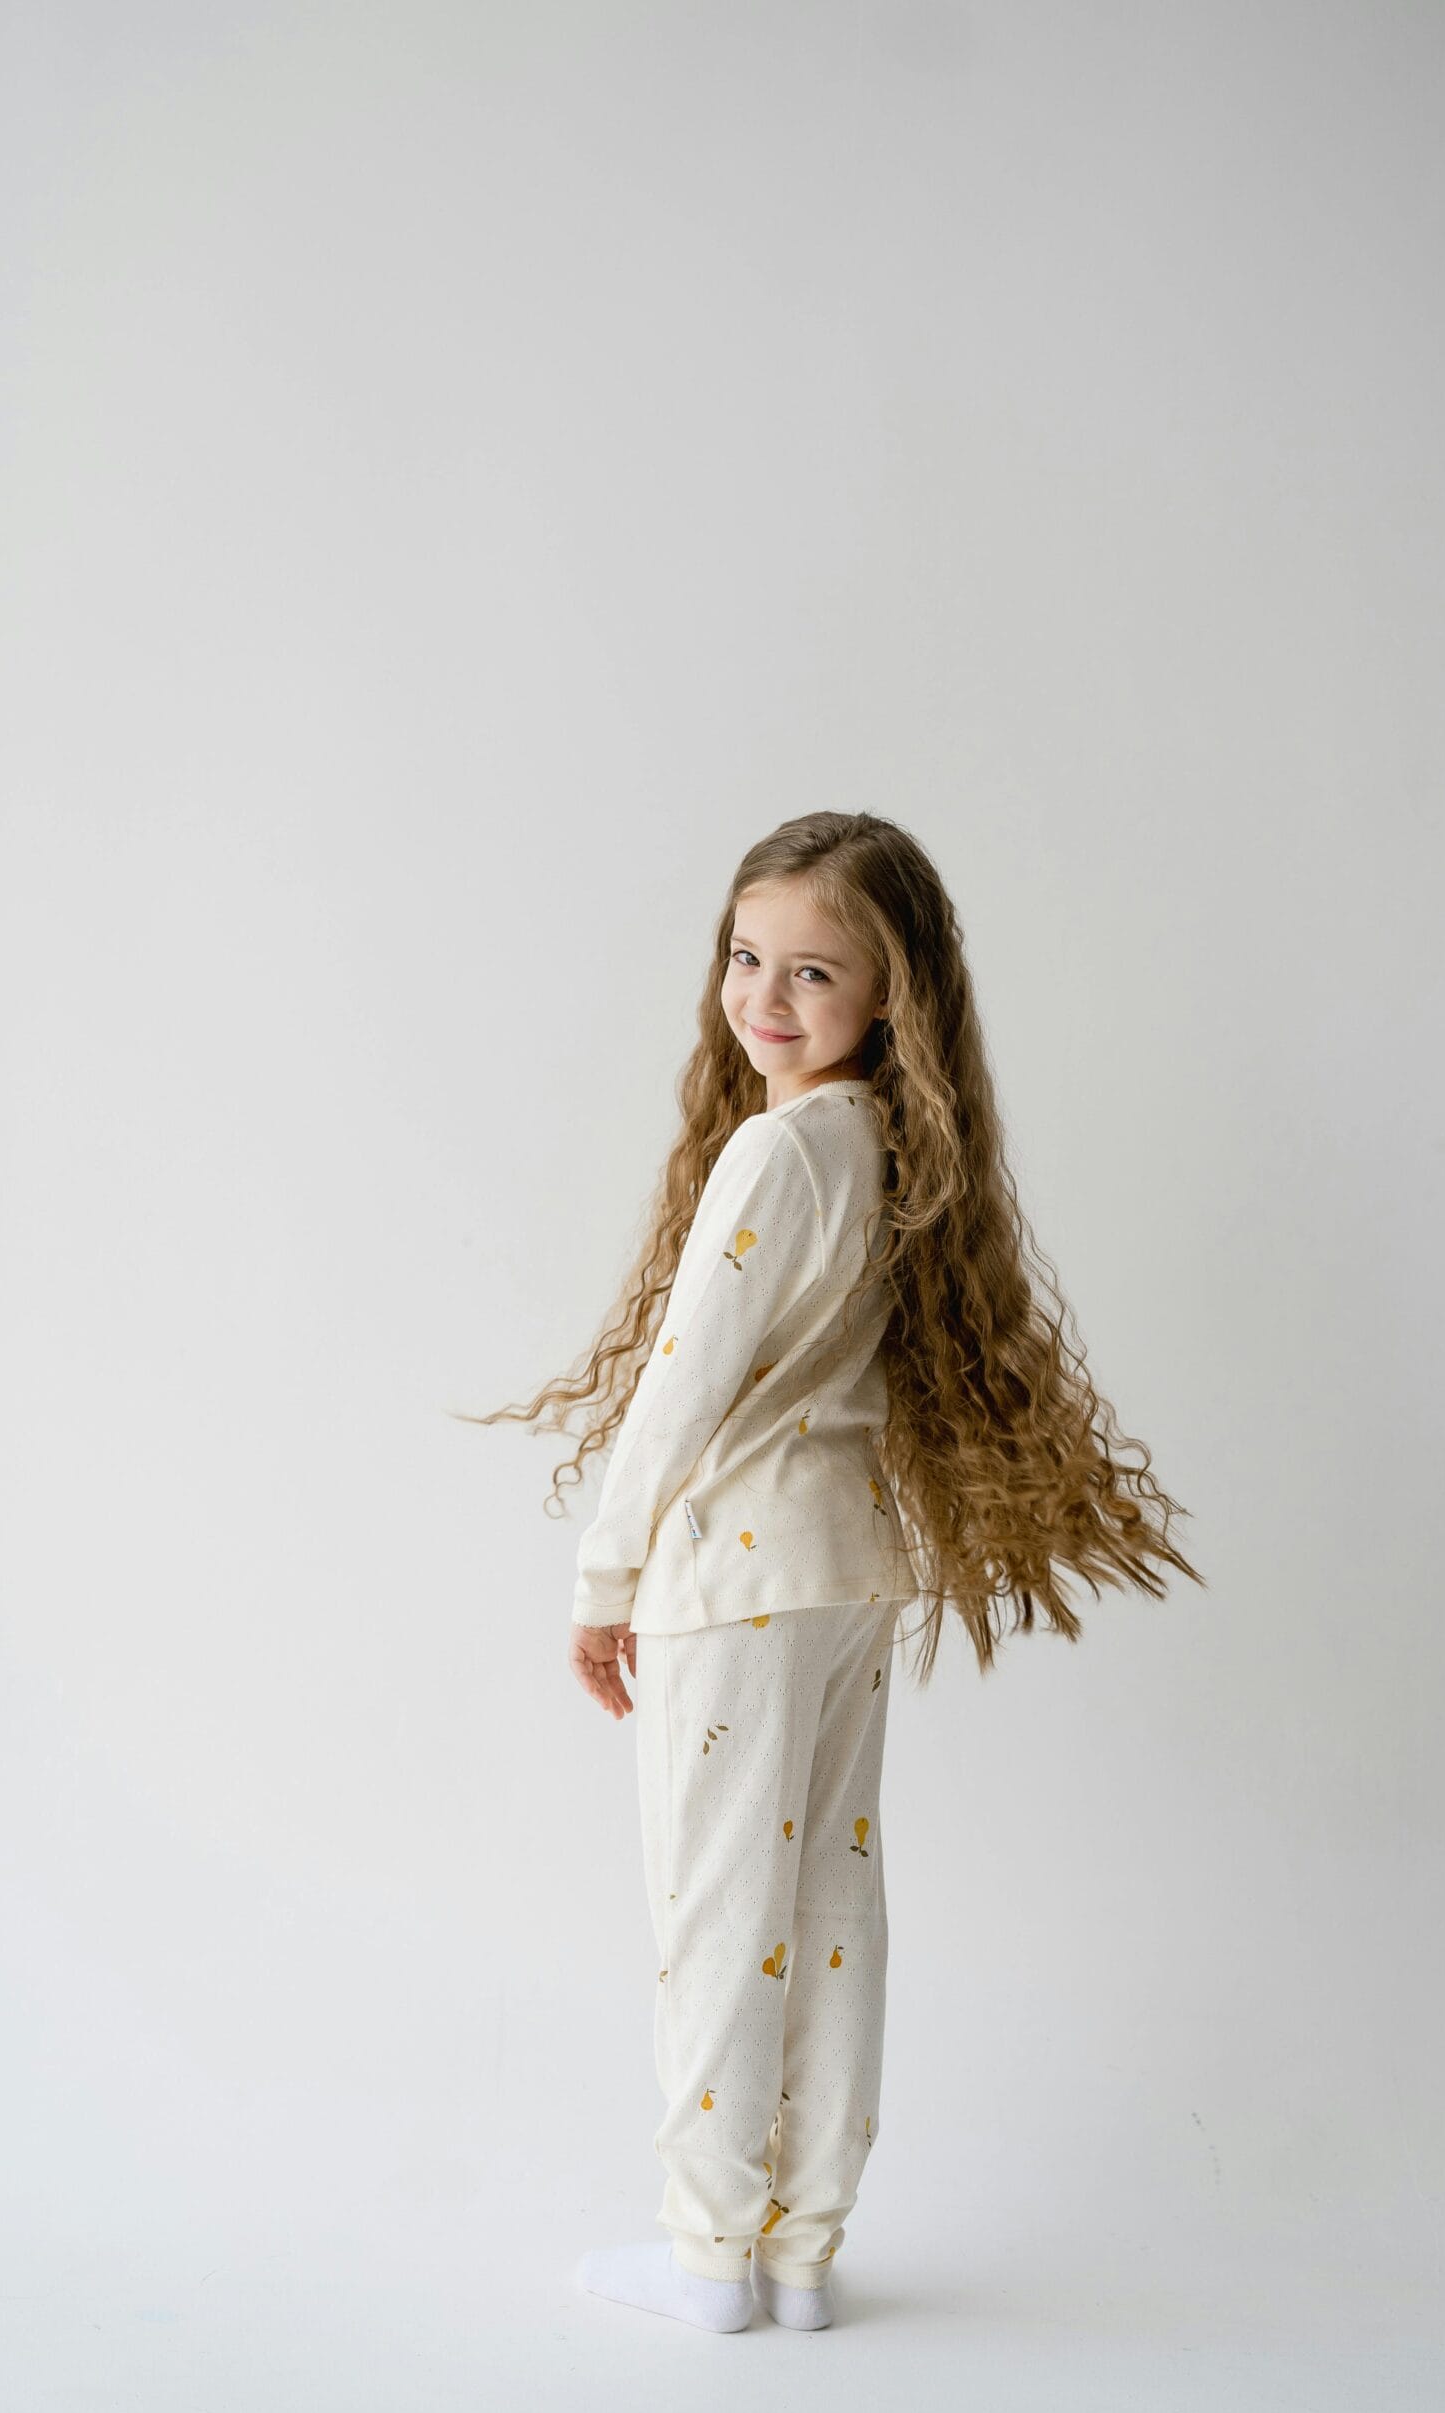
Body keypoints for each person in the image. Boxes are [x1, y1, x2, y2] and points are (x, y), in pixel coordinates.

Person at [467, 810, 1205, 2333]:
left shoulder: (778, 1149)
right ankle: (802, 2256)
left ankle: (710, 2258)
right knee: (829, 1896)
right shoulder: (889, 1145)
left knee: (718, 1909)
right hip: (850, 1570)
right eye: (748, 958)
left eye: (813, 973)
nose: (766, 999)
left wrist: (603, 1579)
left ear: (890, 999)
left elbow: (682, 1385)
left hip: (734, 1586)